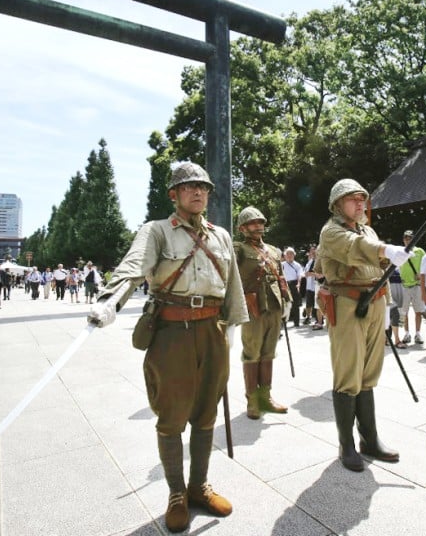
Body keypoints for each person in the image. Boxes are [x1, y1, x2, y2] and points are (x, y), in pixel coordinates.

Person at [87, 162, 247, 533]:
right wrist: (110, 301)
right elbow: (133, 265)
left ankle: (199, 486)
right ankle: (176, 492)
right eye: (189, 187)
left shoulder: (220, 235)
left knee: (207, 412)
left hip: (212, 330)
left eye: (204, 188)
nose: (198, 192)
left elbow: (233, 283)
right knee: (172, 415)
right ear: (174, 194)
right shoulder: (157, 231)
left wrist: (234, 326)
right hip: (172, 331)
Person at [316, 178, 411, 472]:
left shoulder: (367, 229)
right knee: (348, 372)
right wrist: (385, 250)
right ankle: (347, 444)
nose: (359, 203)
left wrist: (391, 260)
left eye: (361, 199)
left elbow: (373, 258)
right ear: (337, 204)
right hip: (347, 304)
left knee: (370, 371)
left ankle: (370, 438)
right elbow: (354, 247)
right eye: (352, 199)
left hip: (374, 301)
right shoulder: (332, 231)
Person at [234, 206, 292, 420]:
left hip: (274, 306)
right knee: (252, 354)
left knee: (268, 353)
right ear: (243, 228)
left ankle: (265, 398)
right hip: (253, 308)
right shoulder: (238, 248)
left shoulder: (274, 251)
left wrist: (288, 301)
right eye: (252, 223)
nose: (258, 226)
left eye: (260, 223)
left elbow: (281, 278)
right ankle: (252, 401)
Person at [397, 230, 425, 344]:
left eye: (410, 238)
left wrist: (421, 275)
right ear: (403, 239)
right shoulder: (400, 251)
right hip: (403, 285)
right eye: (406, 238)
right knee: (404, 312)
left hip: (417, 285)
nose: (407, 240)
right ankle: (406, 333)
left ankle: (418, 333)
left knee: (418, 311)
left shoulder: (420, 251)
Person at [281, 248, 304, 327]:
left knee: (295, 304)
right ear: (285, 255)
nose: (290, 255)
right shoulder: (282, 264)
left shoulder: (297, 265)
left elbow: (300, 275)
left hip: (294, 284)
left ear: (294, 255)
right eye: (288, 254)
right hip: (284, 284)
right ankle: (284, 322)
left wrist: (298, 284)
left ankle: (296, 322)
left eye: (291, 254)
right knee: (285, 304)